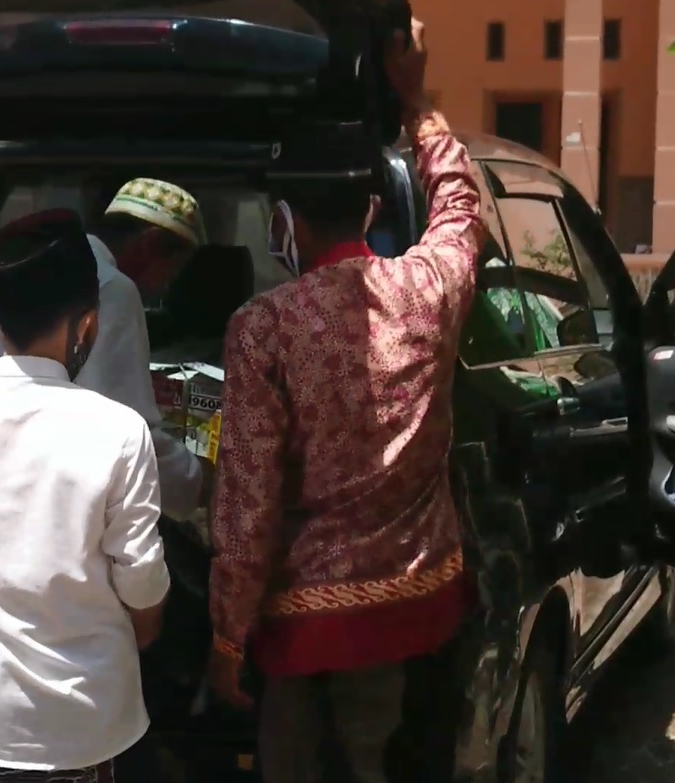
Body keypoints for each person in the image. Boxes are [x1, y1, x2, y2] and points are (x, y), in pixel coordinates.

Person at [207, 20, 485, 783]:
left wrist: (227, 641)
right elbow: (460, 204)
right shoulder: (429, 287)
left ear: (282, 222)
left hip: (300, 642)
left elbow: (246, 503)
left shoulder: (261, 327)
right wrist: (416, 103)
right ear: (369, 208)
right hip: (417, 616)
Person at [0, 209, 169, 783]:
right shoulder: (121, 431)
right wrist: (134, 638)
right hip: (94, 725)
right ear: (88, 325)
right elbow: (142, 583)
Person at [0, 178, 209, 519]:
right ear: (150, 244)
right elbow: (126, 438)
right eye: (173, 268)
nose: (166, 284)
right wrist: (194, 481)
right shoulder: (112, 290)